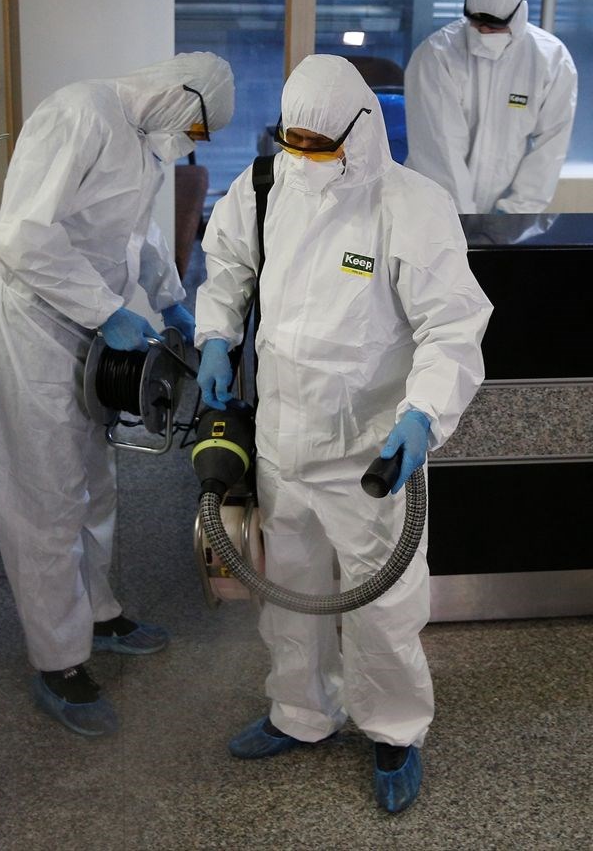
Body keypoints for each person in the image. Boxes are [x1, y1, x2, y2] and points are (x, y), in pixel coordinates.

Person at [194, 54, 491, 813]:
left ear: (359, 130)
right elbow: (227, 263)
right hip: (282, 446)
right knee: (289, 594)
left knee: (381, 606)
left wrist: (423, 414)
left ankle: (393, 730)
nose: (305, 157)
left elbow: (453, 327)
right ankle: (300, 712)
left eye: (319, 145)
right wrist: (217, 337)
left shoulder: (411, 206)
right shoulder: (266, 183)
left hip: (370, 454)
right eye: (292, 140)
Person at [0, 52, 234, 736]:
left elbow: (135, 237)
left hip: (92, 332)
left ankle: (98, 613)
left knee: (95, 483)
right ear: (181, 93)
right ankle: (58, 662)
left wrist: (169, 298)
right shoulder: (78, 113)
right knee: (46, 499)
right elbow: (21, 237)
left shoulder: (143, 139)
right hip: (37, 327)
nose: (190, 142)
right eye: (196, 127)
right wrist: (107, 309)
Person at [404, 0, 577, 214]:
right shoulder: (437, 55)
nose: (484, 31)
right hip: (437, 208)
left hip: (507, 214)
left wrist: (516, 212)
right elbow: (440, 149)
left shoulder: (551, 60)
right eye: (476, 23)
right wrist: (461, 218)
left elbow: (551, 146)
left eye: (494, 25)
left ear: (519, 15)